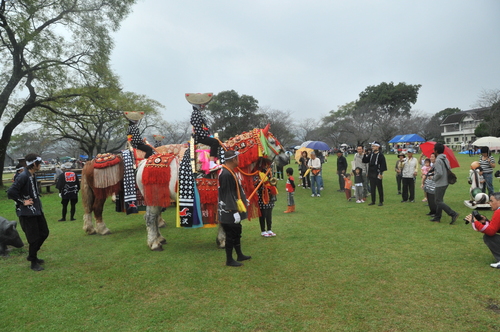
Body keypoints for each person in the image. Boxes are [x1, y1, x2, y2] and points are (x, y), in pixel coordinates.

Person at [7, 153, 49, 271]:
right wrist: (22, 202)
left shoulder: (32, 175)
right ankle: (33, 262)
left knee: (44, 232)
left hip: (36, 210)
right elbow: (11, 192)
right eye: (39, 163)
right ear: (34, 164)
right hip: (27, 213)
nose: (40, 165)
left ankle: (32, 256)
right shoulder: (23, 176)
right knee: (34, 238)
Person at [218, 150, 251, 267]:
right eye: (237, 158)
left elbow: (234, 192)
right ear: (233, 159)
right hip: (229, 211)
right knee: (230, 235)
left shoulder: (230, 172)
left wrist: (242, 200)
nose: (239, 160)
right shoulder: (226, 174)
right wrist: (234, 211)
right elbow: (227, 195)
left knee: (237, 232)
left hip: (233, 209)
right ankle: (229, 259)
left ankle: (239, 254)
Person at [465, 192, 500, 268]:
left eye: (491, 201)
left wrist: (475, 222)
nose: (489, 203)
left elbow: (491, 232)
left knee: (488, 237)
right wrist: (485, 221)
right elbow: (496, 227)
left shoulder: (498, 212)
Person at [429, 142, 460, 224]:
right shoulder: (445, 158)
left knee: (438, 201)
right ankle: (437, 217)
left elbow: (439, 173)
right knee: (440, 200)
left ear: (436, 150)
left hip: (440, 183)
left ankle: (453, 213)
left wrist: (433, 178)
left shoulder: (438, 160)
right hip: (445, 182)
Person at [190, 103, 221, 170]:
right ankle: (211, 163)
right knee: (215, 142)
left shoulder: (197, 113)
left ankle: (214, 161)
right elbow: (198, 128)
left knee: (215, 140)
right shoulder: (196, 113)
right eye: (202, 105)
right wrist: (205, 135)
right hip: (199, 137)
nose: (203, 106)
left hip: (201, 135)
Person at [362, 141, 387, 206]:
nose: (373, 147)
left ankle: (381, 201)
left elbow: (383, 165)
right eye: (372, 146)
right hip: (371, 173)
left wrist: (380, 173)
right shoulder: (371, 154)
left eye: (374, 146)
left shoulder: (381, 155)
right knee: (372, 188)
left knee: (379, 187)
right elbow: (365, 160)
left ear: (378, 147)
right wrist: (365, 154)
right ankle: (373, 201)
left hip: (377, 173)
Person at [256, 170, 277, 237]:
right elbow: (256, 185)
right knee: (263, 214)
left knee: (269, 213)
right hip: (262, 196)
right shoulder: (257, 174)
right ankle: (263, 230)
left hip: (269, 196)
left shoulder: (269, 172)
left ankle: (269, 229)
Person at [422, 153, 437, 217]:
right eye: (431, 157)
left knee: (432, 198)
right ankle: (432, 211)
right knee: (429, 198)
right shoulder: (433, 165)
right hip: (429, 183)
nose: (431, 158)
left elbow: (438, 174)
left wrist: (432, 175)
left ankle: (435, 212)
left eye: (433, 157)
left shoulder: (437, 164)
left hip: (433, 184)